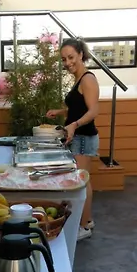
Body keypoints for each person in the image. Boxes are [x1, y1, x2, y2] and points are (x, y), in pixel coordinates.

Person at [46, 37, 100, 241]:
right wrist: (60, 112)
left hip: (84, 137)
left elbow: (94, 110)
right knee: (82, 181)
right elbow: (79, 108)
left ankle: (85, 225)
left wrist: (74, 125)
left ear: (80, 54)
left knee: (82, 182)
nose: (67, 62)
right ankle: (87, 221)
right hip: (78, 137)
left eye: (71, 57)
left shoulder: (87, 79)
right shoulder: (78, 78)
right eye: (64, 59)